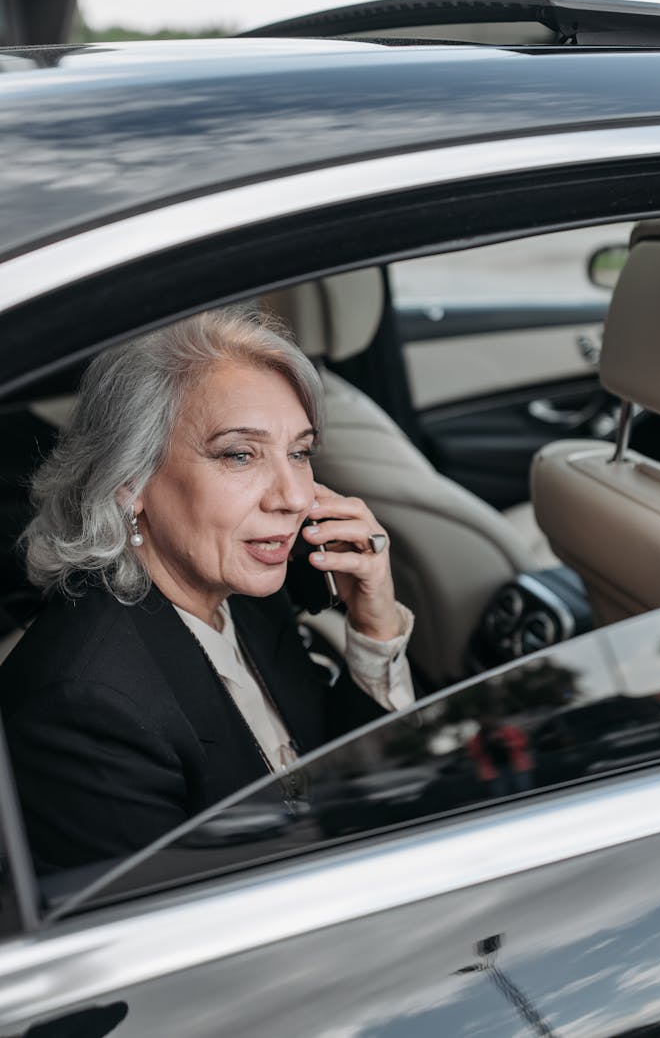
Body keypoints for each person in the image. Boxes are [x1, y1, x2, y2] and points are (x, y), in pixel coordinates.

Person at [0, 306, 414, 873]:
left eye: (299, 453)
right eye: (239, 455)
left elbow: (347, 783)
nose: (293, 496)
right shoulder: (83, 706)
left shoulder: (246, 599)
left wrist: (375, 624)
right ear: (129, 481)